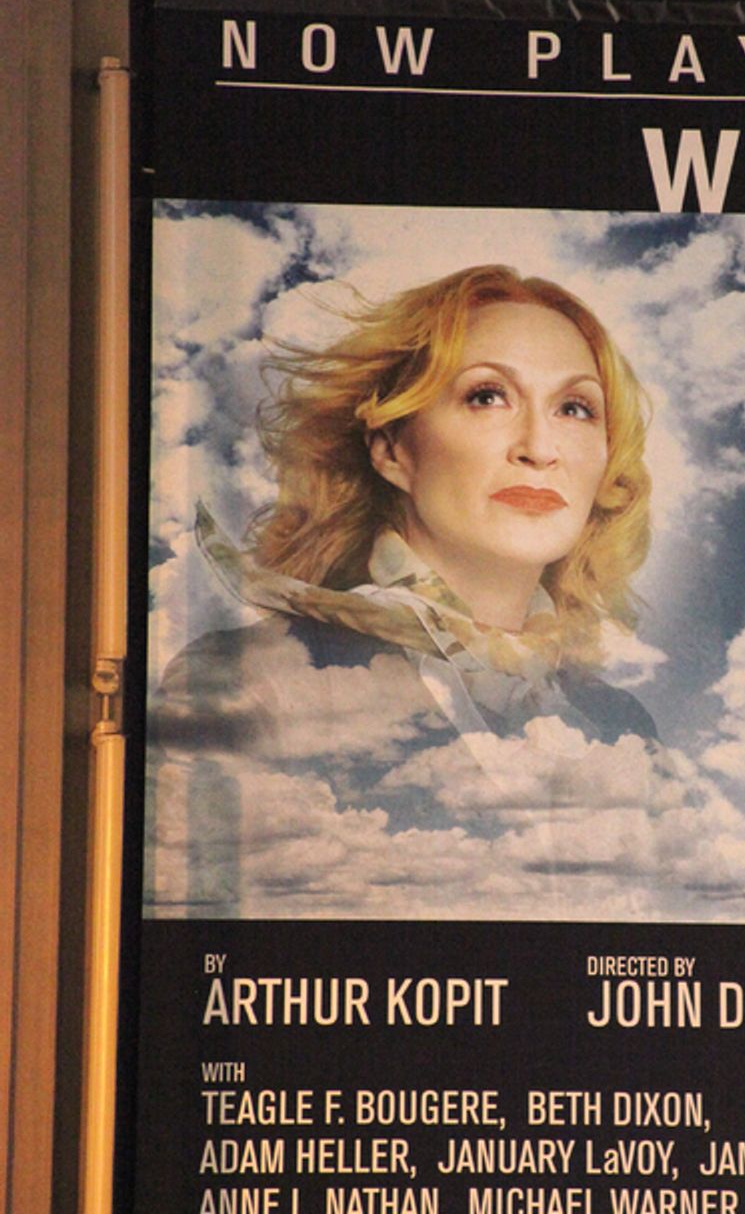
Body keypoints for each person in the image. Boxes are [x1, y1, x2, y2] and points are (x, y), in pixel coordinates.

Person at [147, 266, 659, 859]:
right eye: (487, 397)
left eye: (574, 409)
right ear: (391, 450)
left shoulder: (623, 724)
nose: (539, 449)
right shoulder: (249, 683)